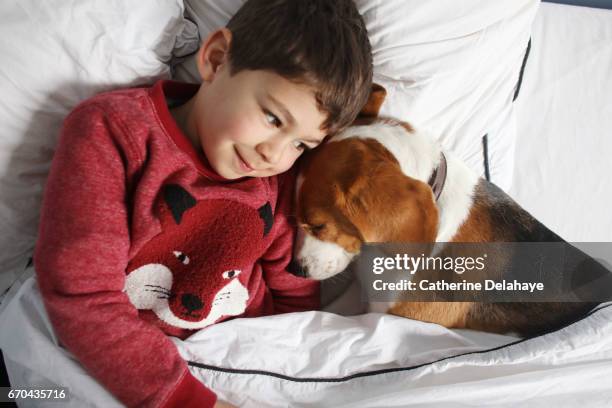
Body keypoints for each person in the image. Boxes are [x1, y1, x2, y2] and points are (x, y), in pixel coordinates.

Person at [33, 0, 372, 407]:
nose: (275, 154)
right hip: (128, 363)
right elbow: (82, 297)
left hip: (242, 362)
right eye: (273, 118)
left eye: (301, 143)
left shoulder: (277, 180)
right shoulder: (113, 134)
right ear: (215, 59)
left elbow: (294, 298)